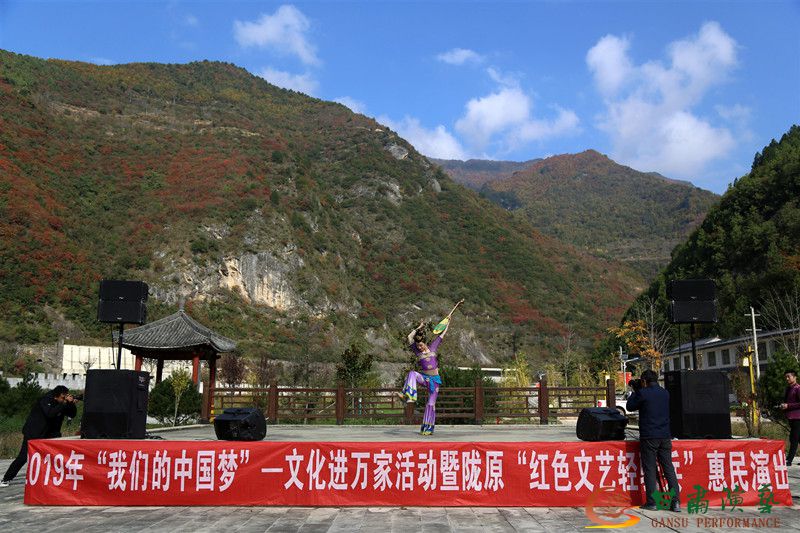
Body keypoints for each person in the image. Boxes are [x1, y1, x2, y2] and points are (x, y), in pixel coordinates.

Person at [401, 302, 461, 435]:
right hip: (424, 378)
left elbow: (442, 334)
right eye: (418, 345)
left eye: (421, 345)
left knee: (430, 404)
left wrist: (447, 323)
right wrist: (419, 327)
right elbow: (409, 337)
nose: (420, 347)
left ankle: (427, 428)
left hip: (435, 380)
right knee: (412, 373)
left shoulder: (433, 347)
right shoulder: (417, 351)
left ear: (425, 343)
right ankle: (409, 396)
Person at [1, 385, 78, 487]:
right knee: (23, 456)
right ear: (56, 396)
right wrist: (64, 404)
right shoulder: (45, 399)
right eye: (63, 397)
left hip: (50, 433)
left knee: (54, 456)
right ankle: (6, 478)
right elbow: (50, 413)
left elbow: (72, 414)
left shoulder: (61, 403)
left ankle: (52, 478)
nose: (64, 399)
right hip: (34, 432)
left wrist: (71, 404)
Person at [626, 369, 680, 512]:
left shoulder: (643, 393)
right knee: (668, 468)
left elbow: (630, 406)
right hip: (665, 436)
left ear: (644, 381)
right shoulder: (665, 393)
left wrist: (635, 391)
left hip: (649, 436)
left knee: (650, 469)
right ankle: (675, 502)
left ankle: (652, 502)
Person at [780, 369, 800, 466]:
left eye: (789, 376)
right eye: (786, 377)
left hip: (798, 417)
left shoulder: (798, 388)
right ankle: (789, 458)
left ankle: (789, 460)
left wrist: (788, 406)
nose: (787, 378)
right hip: (791, 417)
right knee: (798, 438)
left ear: (794, 377)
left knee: (794, 438)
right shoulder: (789, 388)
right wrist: (783, 406)